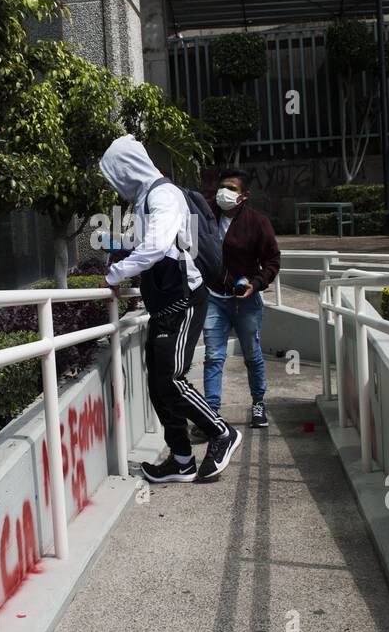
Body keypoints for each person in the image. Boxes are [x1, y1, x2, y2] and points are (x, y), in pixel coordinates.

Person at [98, 135, 243, 484]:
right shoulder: (146, 199)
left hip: (185, 301)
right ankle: (181, 459)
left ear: (127, 169)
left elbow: (158, 245)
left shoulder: (162, 194)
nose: (116, 184)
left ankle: (221, 433)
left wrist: (114, 275)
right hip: (165, 303)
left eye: (116, 175)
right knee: (159, 385)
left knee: (172, 379)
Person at [200, 167, 280, 431]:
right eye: (222, 186)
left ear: (244, 195)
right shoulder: (205, 216)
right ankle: (211, 413)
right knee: (213, 357)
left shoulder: (258, 223)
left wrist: (256, 284)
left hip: (245, 300)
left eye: (231, 188)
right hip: (213, 297)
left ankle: (258, 402)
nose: (224, 192)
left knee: (252, 355)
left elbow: (272, 261)